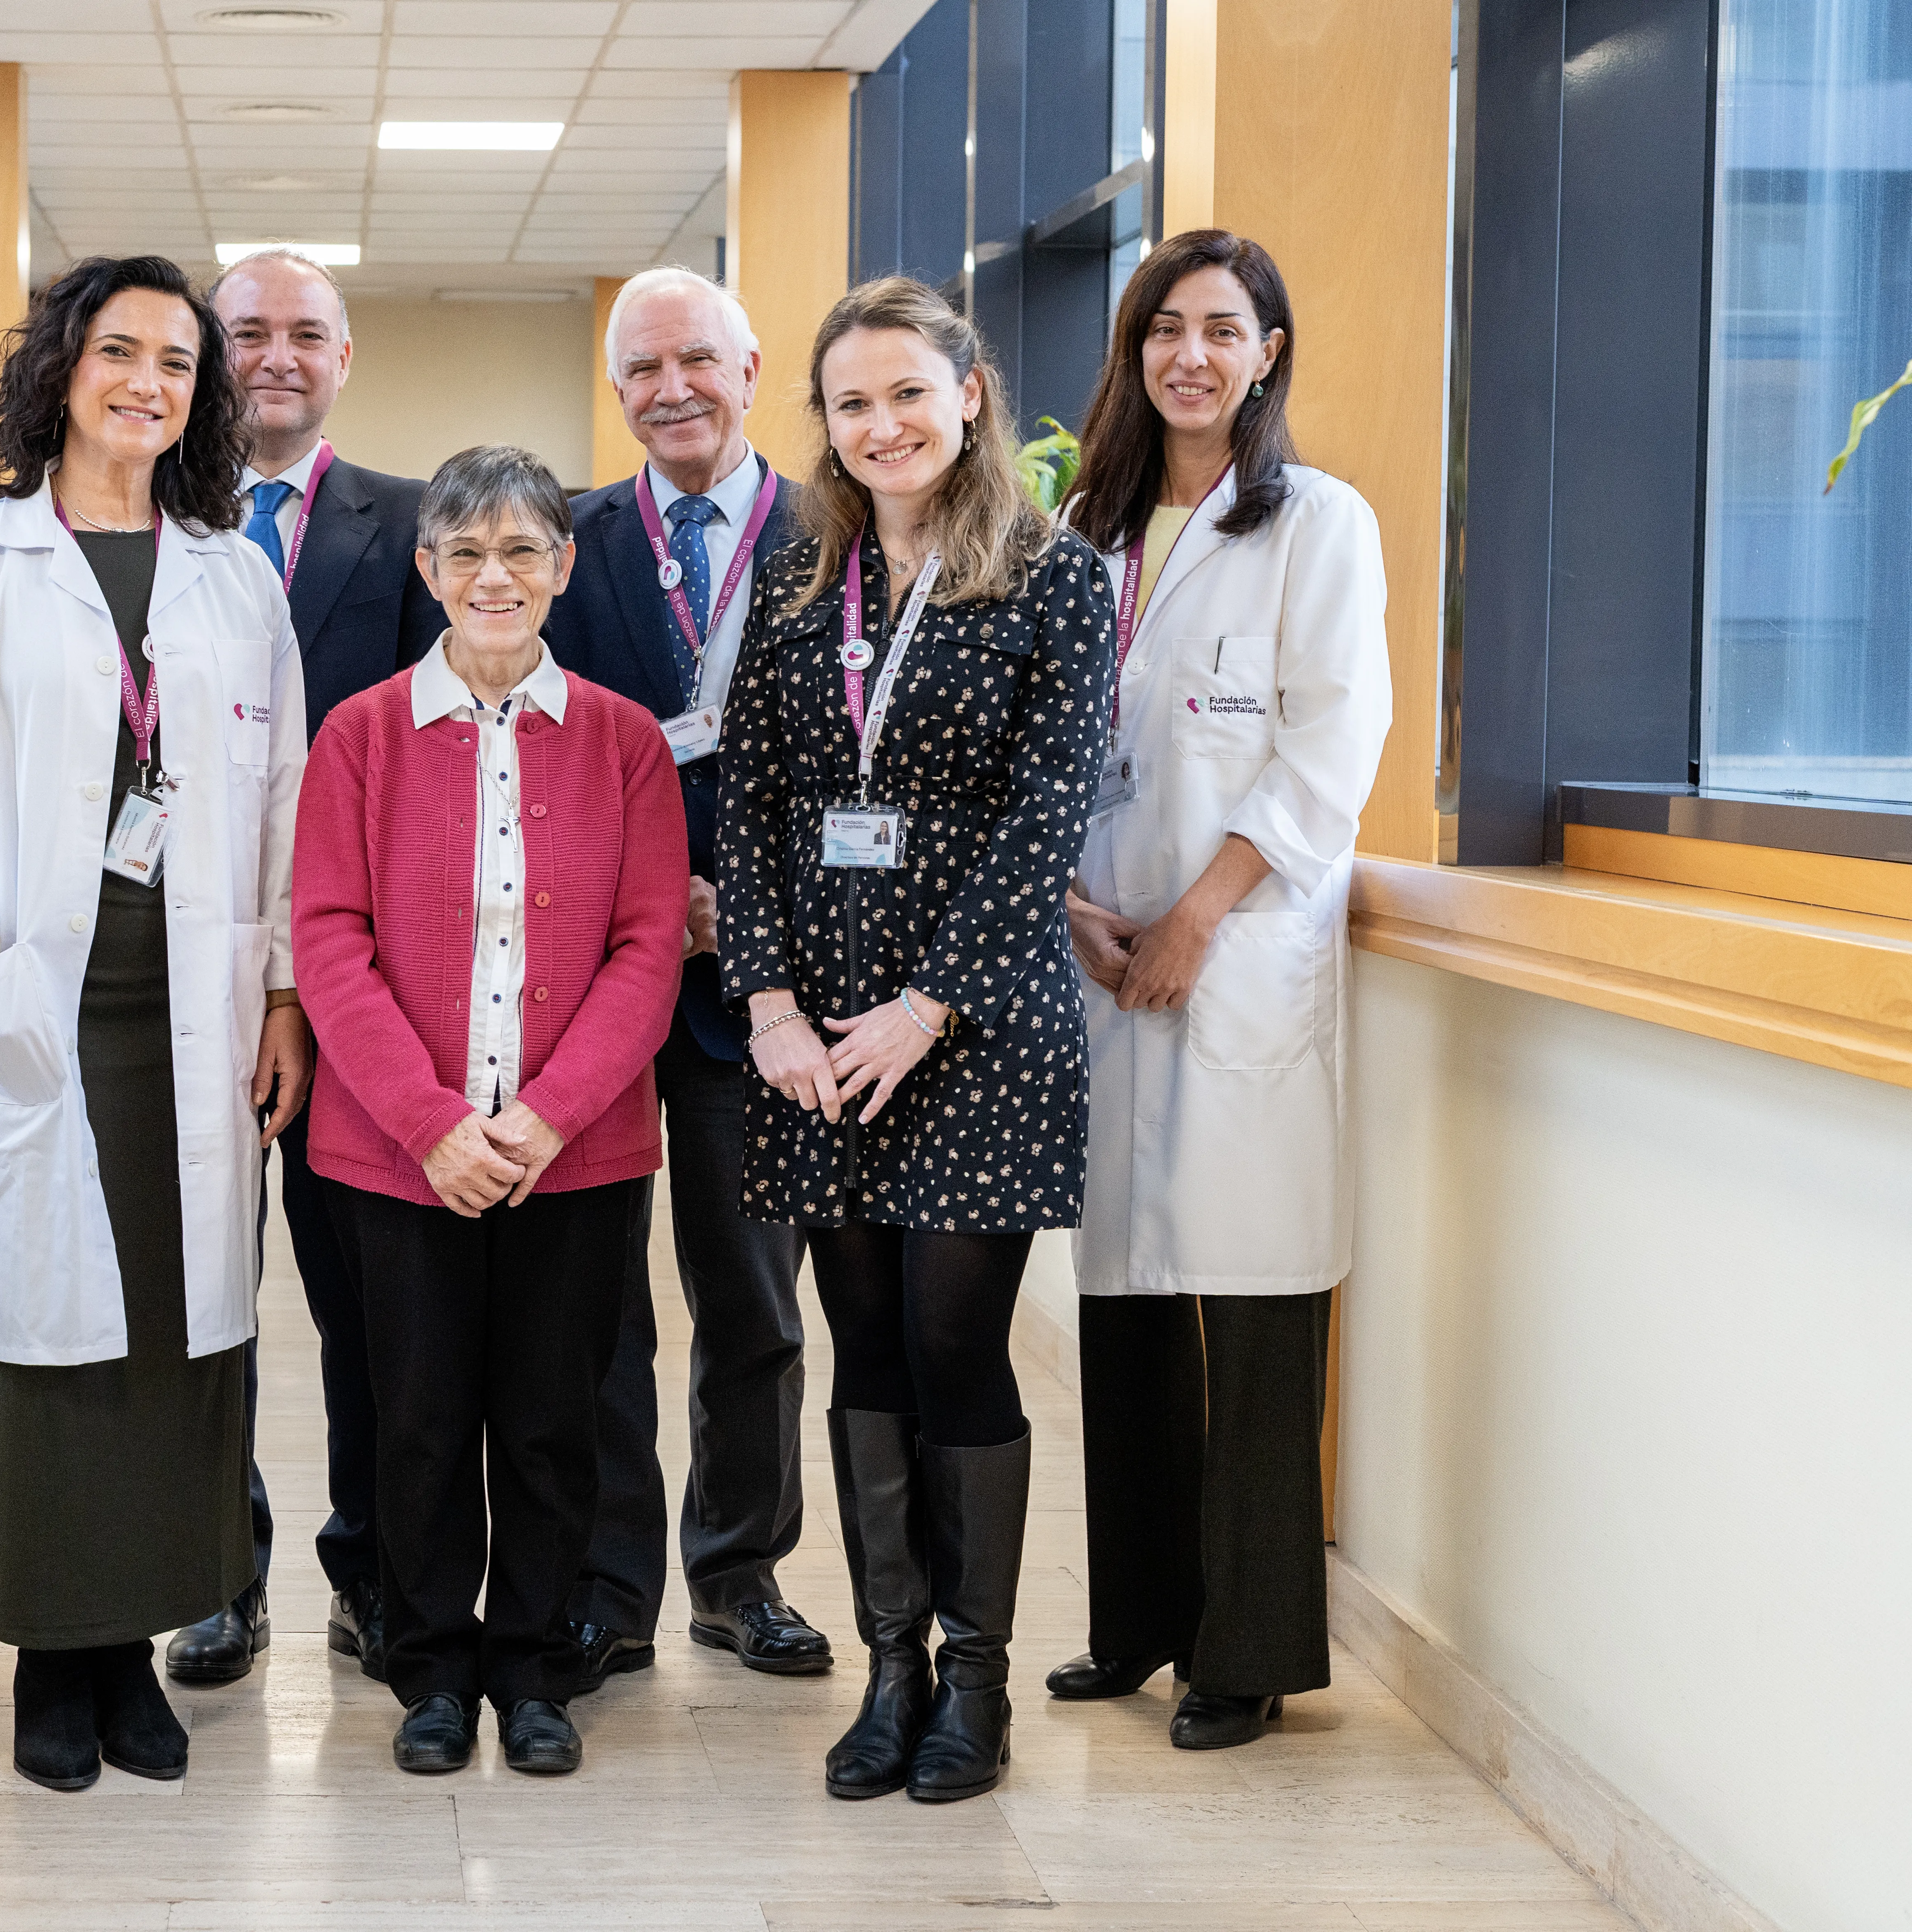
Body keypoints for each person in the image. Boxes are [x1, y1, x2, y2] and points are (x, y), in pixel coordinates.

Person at [0, 254, 310, 1791]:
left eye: (178, 365)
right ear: (61, 369)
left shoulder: (232, 578)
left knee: (180, 1343)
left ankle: (135, 1655)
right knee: (49, 1340)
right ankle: (54, 1659)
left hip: (195, 1011)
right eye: (120, 353)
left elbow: (289, 808)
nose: (146, 384)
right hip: (35, 1012)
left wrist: (286, 994)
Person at [718, 277, 1113, 1804]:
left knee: (957, 1344)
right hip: (817, 1026)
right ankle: (892, 1670)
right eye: (849, 403)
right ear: (821, 424)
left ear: (970, 396)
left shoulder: (1055, 582)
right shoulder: (802, 581)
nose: (881, 426)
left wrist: (927, 1005)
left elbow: (1044, 818)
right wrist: (767, 1005)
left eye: (907, 394)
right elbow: (742, 804)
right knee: (862, 1342)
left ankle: (980, 1681)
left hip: (978, 1022)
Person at [293, 445, 688, 1778]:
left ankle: (532, 1665)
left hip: (575, 1159)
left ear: (565, 569)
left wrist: (551, 1117)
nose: (495, 576)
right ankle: (431, 1670)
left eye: (523, 550)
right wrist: (434, 1127)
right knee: (411, 1416)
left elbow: (647, 950)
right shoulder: (357, 737)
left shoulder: (627, 744)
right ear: (428, 571)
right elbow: (331, 944)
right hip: (398, 1157)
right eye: (465, 553)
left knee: (548, 1417)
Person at [1052, 230, 1392, 1752]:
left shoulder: (1318, 523)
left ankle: (1246, 1651)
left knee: (1250, 1300)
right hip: (1105, 951)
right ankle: (1137, 1622)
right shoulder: (1089, 528)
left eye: (1223, 330)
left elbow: (1330, 746)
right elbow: (1051, 747)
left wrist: (1197, 914)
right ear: (1133, 355)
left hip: (1242, 951)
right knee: (1124, 1293)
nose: (1191, 355)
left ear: (1270, 354)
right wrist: (1071, 906)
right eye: (1164, 329)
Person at [163, 247, 445, 1688]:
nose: (275, 355)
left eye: (306, 334)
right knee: (206, 1293)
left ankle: (375, 1571)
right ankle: (219, 1571)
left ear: (346, 357)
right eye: (247, 331)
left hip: (352, 984)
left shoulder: (411, 529)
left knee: (362, 1305)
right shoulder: (143, 517)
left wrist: (342, 981)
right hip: (175, 968)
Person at [547, 266, 831, 1691]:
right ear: (618, 391)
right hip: (599, 979)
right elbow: (530, 755)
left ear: (752, 365)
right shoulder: (570, 541)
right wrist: (656, 900)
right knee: (599, 1309)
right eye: (644, 369)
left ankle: (741, 1572)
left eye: (698, 363)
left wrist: (761, 918)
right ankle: (610, 1590)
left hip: (764, 994)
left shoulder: (838, 537)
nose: (672, 389)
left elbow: (866, 764)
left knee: (754, 1300)